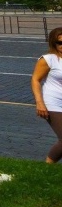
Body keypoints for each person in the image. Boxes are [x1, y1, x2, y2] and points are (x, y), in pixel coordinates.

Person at [30, 27, 62, 163]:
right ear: (53, 43)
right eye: (60, 43)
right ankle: (47, 168)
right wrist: (40, 102)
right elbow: (35, 80)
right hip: (53, 103)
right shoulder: (49, 59)